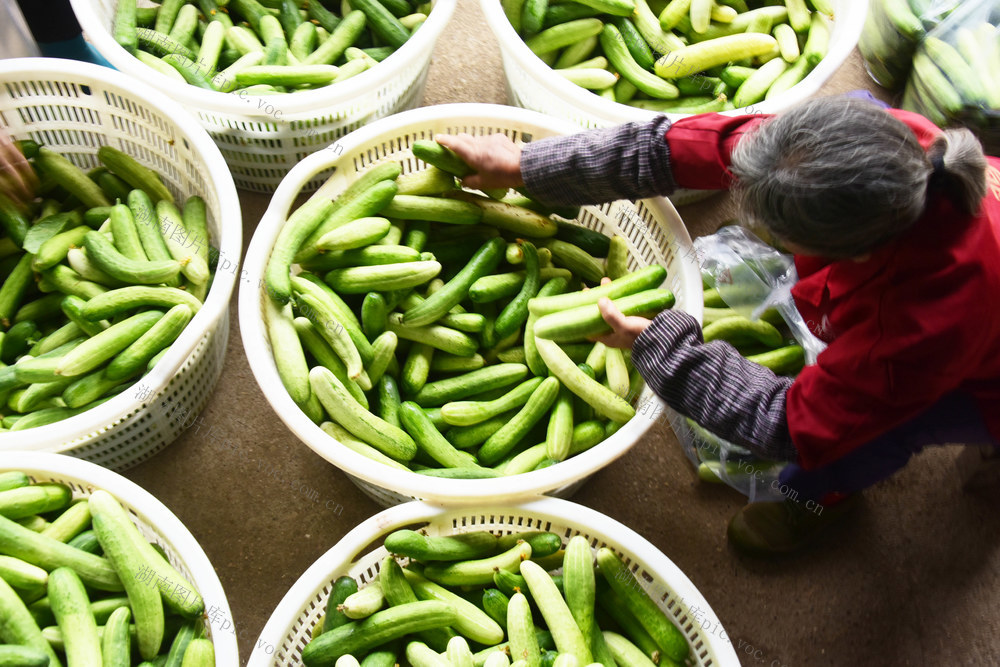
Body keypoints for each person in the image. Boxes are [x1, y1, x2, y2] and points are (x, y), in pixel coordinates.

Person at [435, 96, 1000, 556]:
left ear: (851, 251)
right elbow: (676, 150)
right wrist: (528, 166)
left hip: (983, 374)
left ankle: (815, 502)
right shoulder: (858, 148)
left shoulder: (918, 328)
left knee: (863, 442)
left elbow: (795, 422)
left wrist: (664, 348)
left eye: (783, 237)